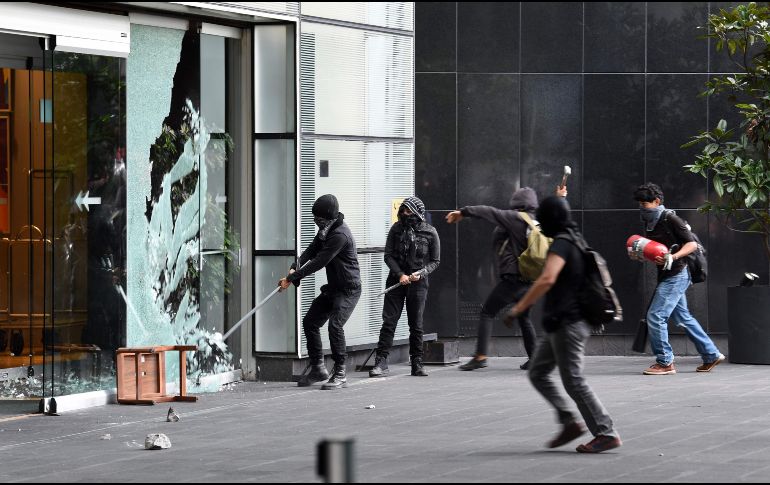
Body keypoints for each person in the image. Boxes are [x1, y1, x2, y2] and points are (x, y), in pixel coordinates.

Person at [504, 195, 622, 453]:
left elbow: (547, 279)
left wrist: (519, 308)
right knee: (537, 372)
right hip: (560, 323)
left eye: (543, 217)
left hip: (569, 323)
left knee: (574, 380)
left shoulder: (563, 244)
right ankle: (569, 421)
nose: (539, 222)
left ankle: (606, 432)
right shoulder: (575, 240)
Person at [632, 183, 725, 375]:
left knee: (656, 316)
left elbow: (690, 244)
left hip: (678, 273)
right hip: (667, 273)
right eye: (639, 203)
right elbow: (659, 248)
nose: (642, 207)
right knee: (683, 317)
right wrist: (642, 254)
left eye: (645, 203)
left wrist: (672, 257)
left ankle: (665, 362)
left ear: (657, 201)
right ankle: (711, 354)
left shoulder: (671, 218)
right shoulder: (649, 221)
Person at [446, 187, 540, 371]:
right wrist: (561, 197)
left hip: (513, 279)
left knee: (487, 312)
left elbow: (489, 212)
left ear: (517, 203)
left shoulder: (516, 218)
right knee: (524, 317)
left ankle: (480, 356)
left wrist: (463, 212)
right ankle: (535, 358)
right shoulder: (534, 222)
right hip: (529, 280)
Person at [279, 194, 361, 390]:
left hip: (348, 289)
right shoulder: (326, 230)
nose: (316, 221)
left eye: (318, 218)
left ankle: (340, 372)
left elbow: (320, 261)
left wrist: (292, 279)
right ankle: (318, 368)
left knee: (335, 325)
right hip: (333, 288)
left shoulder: (339, 234)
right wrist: (294, 266)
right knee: (310, 322)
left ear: (327, 217)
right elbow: (311, 251)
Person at [369, 196, 440, 378]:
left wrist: (420, 273)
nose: (404, 214)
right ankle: (381, 362)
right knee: (389, 322)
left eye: (408, 211)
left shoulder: (430, 232)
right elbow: (388, 255)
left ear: (418, 212)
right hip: (396, 281)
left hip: (418, 284)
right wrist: (400, 274)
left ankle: (417, 362)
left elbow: (435, 261)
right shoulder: (396, 229)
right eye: (403, 210)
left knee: (416, 325)